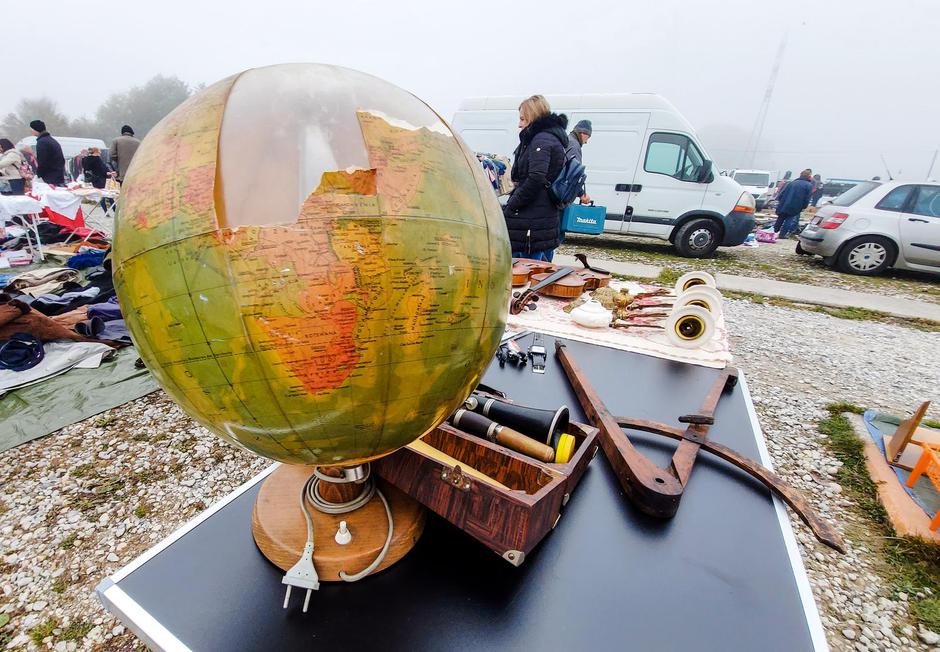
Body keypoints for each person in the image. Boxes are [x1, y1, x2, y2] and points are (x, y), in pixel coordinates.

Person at [503, 95, 568, 262]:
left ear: (533, 116)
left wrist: (513, 203)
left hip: (531, 221)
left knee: (527, 272)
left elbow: (536, 178)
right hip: (540, 217)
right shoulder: (545, 138)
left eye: (523, 119)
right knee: (539, 270)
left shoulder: (542, 139)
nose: (519, 124)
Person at [773, 169, 814, 239]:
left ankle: (773, 232)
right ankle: (782, 235)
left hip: (784, 203)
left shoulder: (792, 183)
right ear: (809, 176)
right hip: (796, 205)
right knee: (789, 219)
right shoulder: (809, 185)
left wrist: (780, 201)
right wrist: (804, 206)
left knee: (780, 218)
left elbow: (782, 193)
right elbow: (807, 198)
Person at [29, 120, 66, 186]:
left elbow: (42, 161)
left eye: (31, 129)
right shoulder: (51, 140)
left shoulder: (42, 142)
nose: (31, 131)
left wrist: (39, 175)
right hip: (57, 175)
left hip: (50, 178)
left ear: (36, 129)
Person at [567, 119, 592, 204]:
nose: (586, 142)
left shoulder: (568, 140)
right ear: (583, 133)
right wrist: (581, 194)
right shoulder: (574, 146)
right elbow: (573, 173)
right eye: (588, 137)